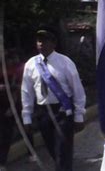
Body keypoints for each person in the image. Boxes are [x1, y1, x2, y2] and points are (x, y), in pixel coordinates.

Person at [21, 27, 86, 171]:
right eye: (39, 40)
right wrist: (26, 116)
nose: (41, 44)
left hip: (62, 111)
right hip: (43, 113)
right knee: (52, 150)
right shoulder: (31, 64)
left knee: (63, 151)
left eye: (45, 40)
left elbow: (77, 89)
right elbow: (26, 92)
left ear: (53, 44)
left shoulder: (65, 62)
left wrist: (79, 115)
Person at [0, 49, 24, 170]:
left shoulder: (18, 70)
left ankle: (2, 162)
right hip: (3, 105)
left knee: (21, 129)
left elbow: (18, 90)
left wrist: (12, 107)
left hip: (14, 104)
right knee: (5, 133)